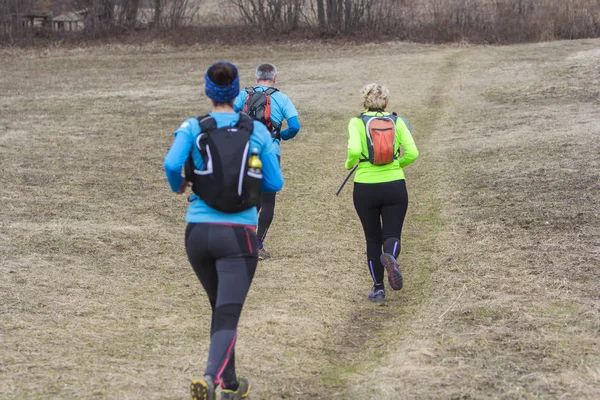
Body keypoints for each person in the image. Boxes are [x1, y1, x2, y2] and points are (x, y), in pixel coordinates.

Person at [164, 61, 284, 400]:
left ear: (208, 90)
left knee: (221, 306)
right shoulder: (256, 131)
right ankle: (209, 378)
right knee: (228, 311)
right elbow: (275, 182)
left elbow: (173, 164)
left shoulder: (192, 127)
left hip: (198, 232)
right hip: (239, 234)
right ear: (236, 92)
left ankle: (231, 384)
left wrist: (179, 185)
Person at [345, 83, 419, 303]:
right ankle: (392, 259)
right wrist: (397, 164)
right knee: (392, 235)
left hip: (365, 186)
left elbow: (354, 151)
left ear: (364, 101)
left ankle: (378, 289)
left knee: (372, 238)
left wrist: (350, 164)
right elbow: (413, 153)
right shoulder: (398, 122)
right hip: (395, 184)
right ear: (386, 102)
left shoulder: (356, 122)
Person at [234, 63, 301, 260]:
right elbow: (295, 126)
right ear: (274, 78)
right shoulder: (281, 98)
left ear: (256, 78)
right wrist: (282, 136)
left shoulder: (243, 95)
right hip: (270, 153)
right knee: (268, 200)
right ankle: (257, 244)